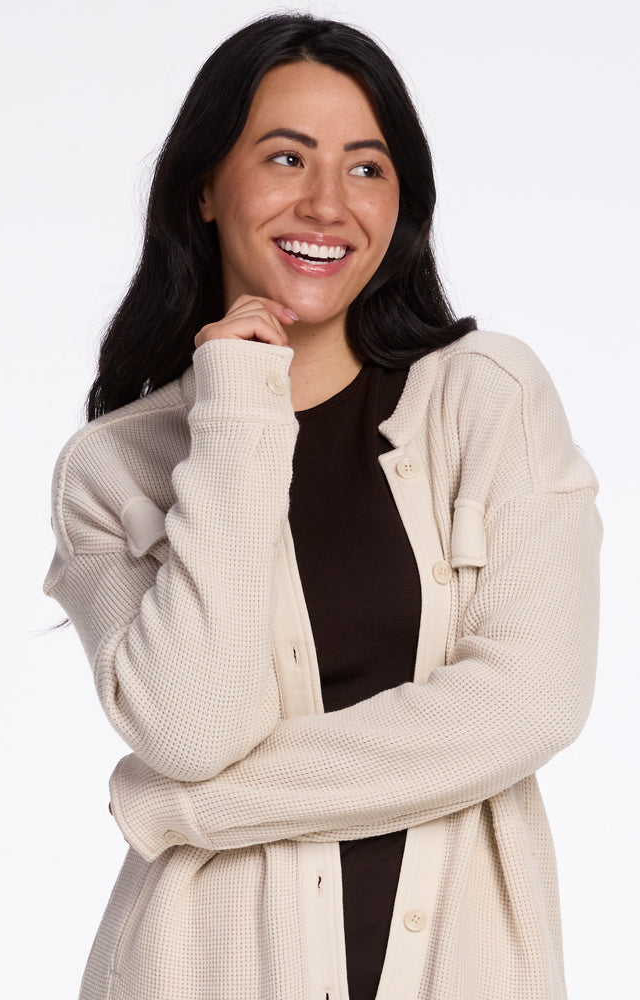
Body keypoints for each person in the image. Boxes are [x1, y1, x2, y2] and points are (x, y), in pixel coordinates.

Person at [44, 13, 600, 1000]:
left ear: (402, 201)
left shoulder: (486, 399)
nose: (326, 202)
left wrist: (188, 809)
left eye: (366, 167)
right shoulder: (114, 468)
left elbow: (530, 701)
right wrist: (236, 412)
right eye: (286, 157)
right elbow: (193, 726)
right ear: (205, 186)